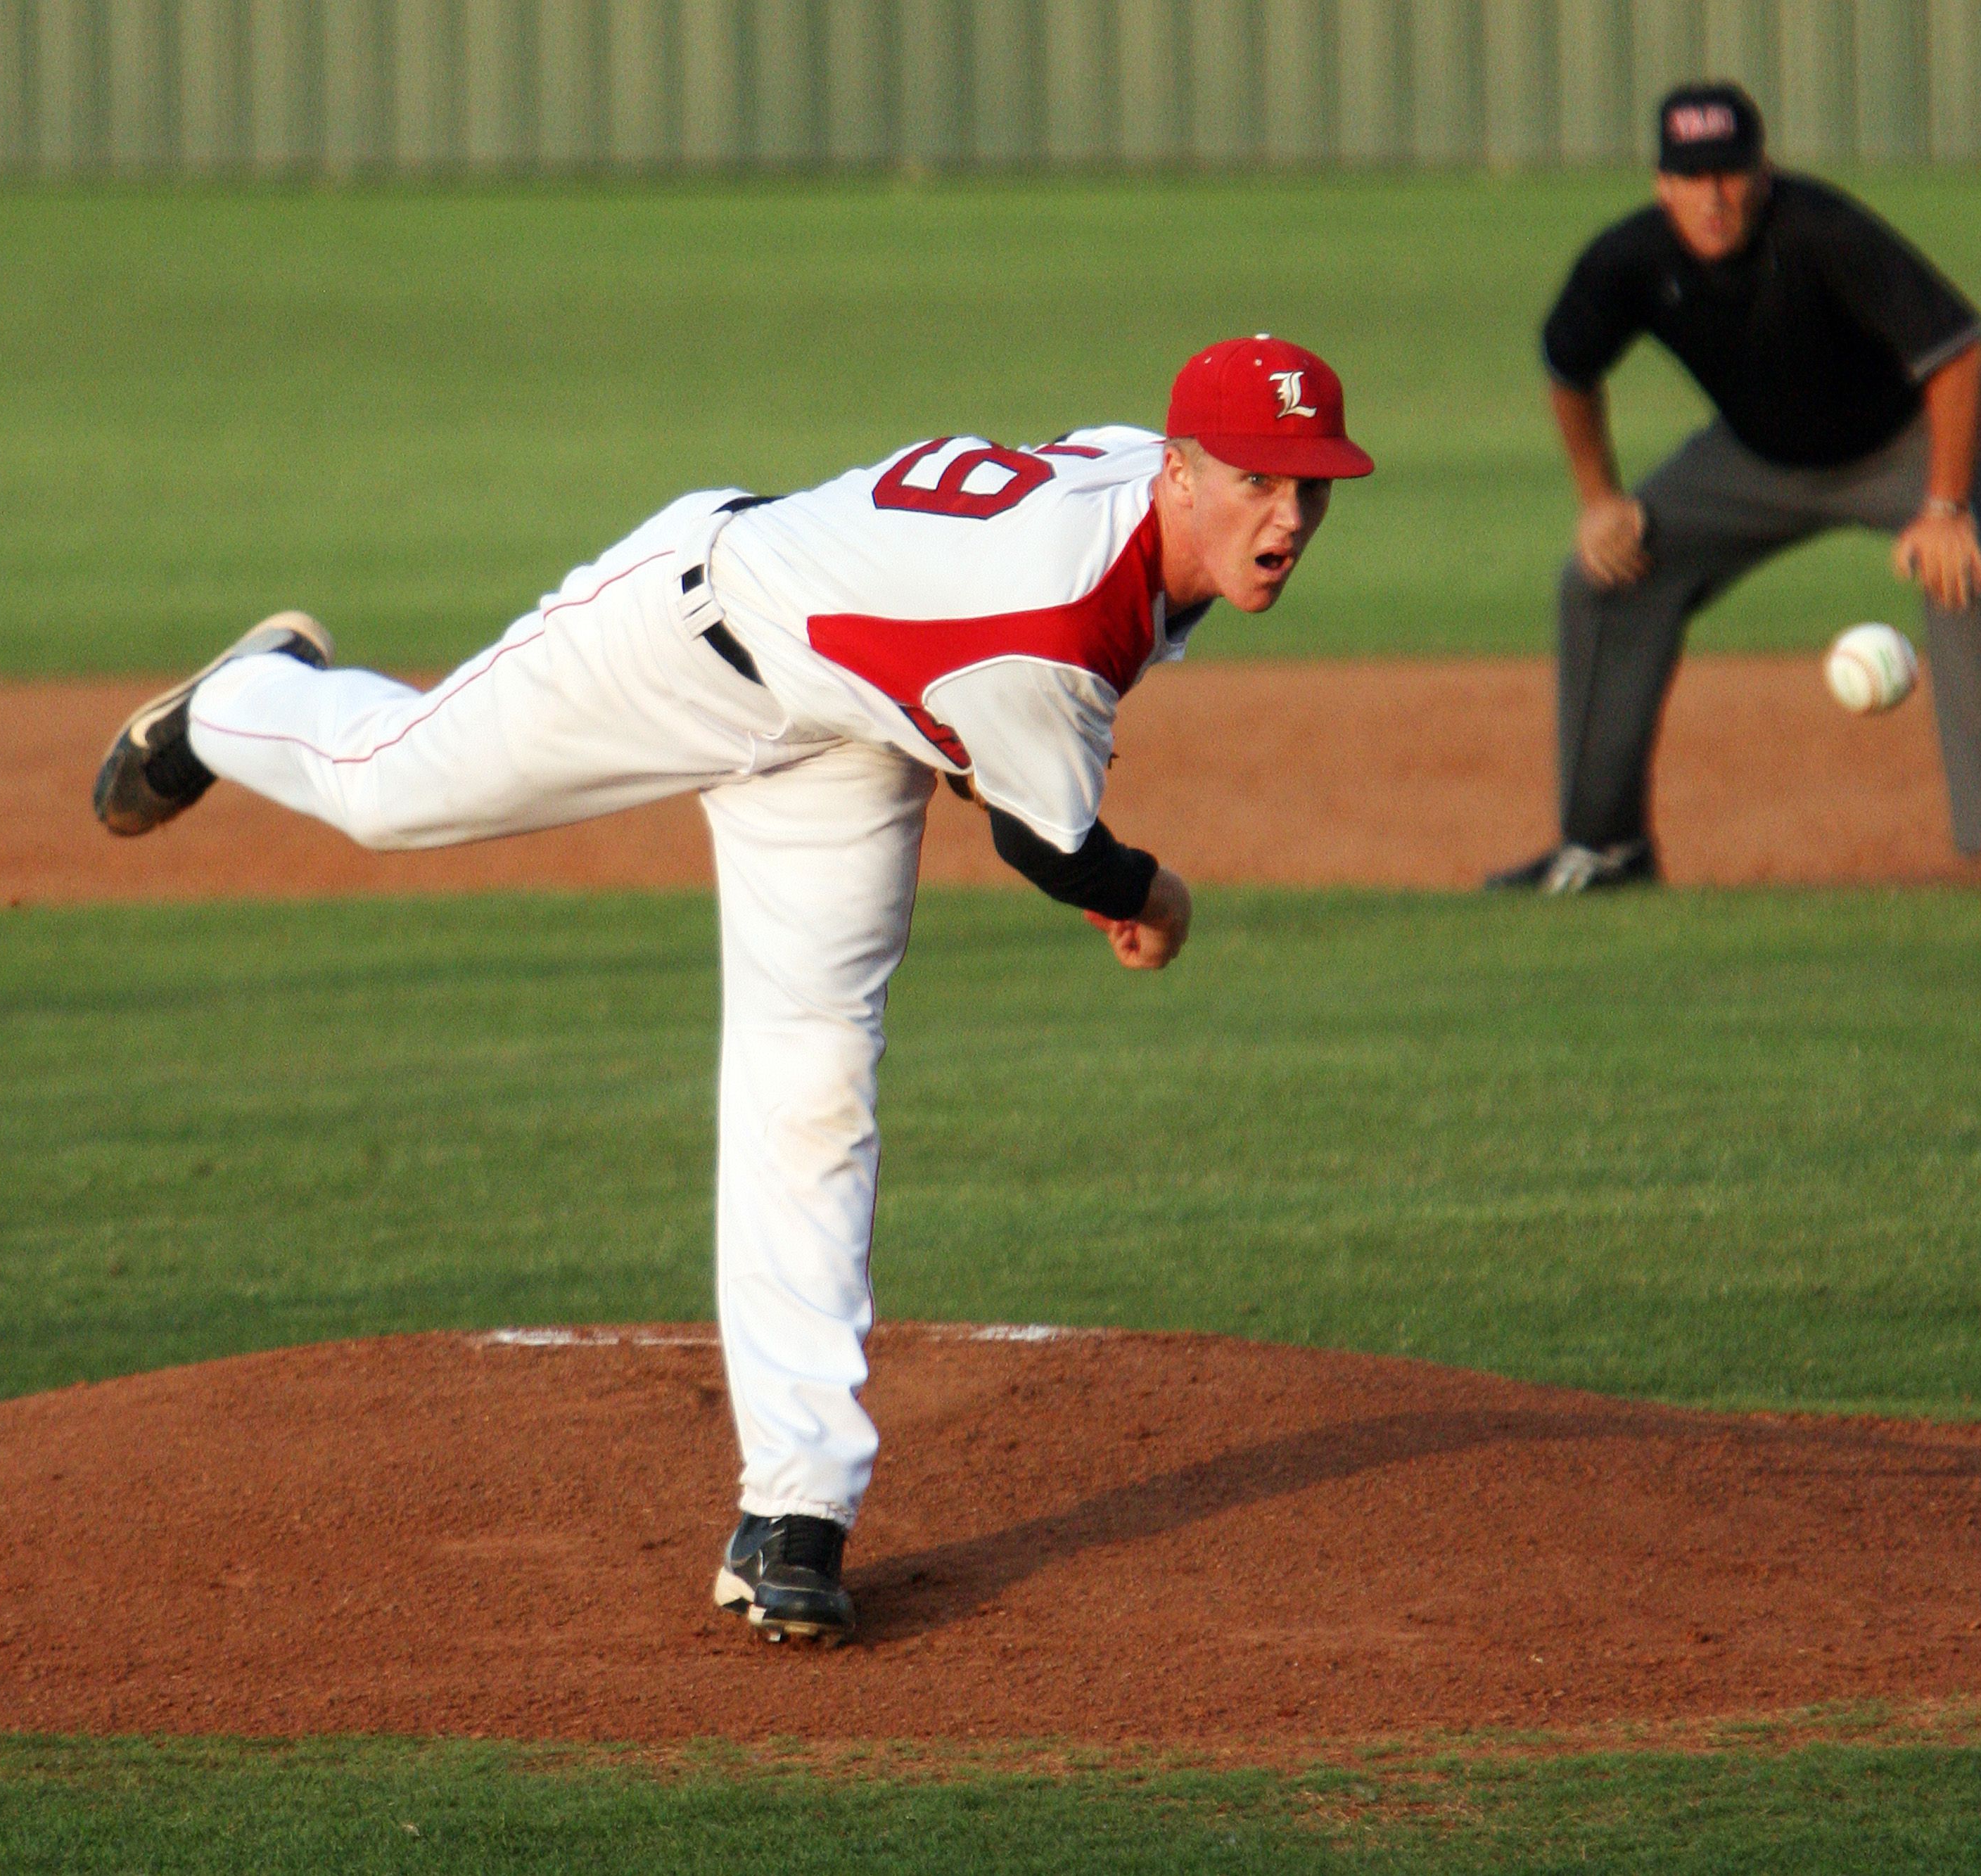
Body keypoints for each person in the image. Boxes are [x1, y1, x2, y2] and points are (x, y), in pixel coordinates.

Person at [92, 336, 1375, 1643]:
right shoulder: (1049, 630)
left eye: (1312, 485)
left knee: (814, 1076)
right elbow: (1046, 842)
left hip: (842, 732)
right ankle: (245, 698)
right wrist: (1152, 893)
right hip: (681, 636)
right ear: (1177, 472)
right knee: (384, 792)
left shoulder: (1134, 501)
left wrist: (957, 720)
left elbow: (963, 670)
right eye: (1259, 480)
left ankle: (795, 1513)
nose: (1288, 516)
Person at [1489, 81, 1981, 894]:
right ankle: (1606, 847)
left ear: (1762, 172)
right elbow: (1569, 364)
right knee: (1608, 577)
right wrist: (1600, 500)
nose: (1715, 196)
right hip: (1756, 460)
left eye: (1731, 173)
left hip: (1908, 442)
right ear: (1663, 184)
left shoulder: (1820, 229)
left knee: (1959, 577)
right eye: (1694, 177)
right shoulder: (1630, 259)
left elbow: (1957, 351)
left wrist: (1946, 508)